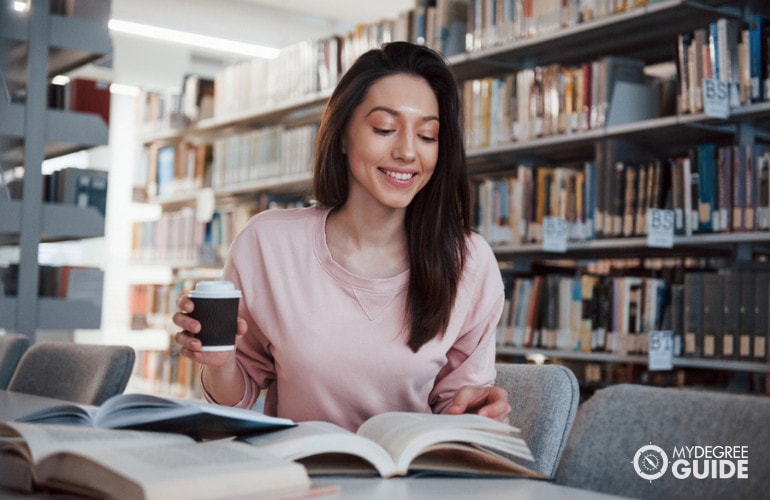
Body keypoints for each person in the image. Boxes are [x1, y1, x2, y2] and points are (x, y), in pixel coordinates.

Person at [173, 41, 511, 432]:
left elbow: (457, 407)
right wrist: (220, 362)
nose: (406, 151)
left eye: (428, 136)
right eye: (385, 128)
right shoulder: (268, 244)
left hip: (408, 485)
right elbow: (238, 399)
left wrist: (478, 409)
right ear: (343, 134)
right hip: (301, 480)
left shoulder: (469, 262)